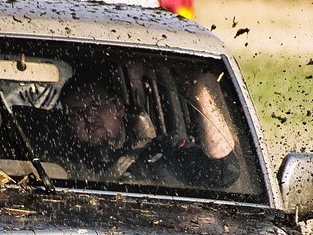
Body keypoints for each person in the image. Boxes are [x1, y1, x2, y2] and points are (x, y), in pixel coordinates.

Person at [58, 70, 241, 187]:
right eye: (76, 112)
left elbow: (223, 171)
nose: (89, 117)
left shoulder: (162, 151)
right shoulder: (58, 162)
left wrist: (199, 88)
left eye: (97, 106)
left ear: (119, 107)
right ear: (67, 120)